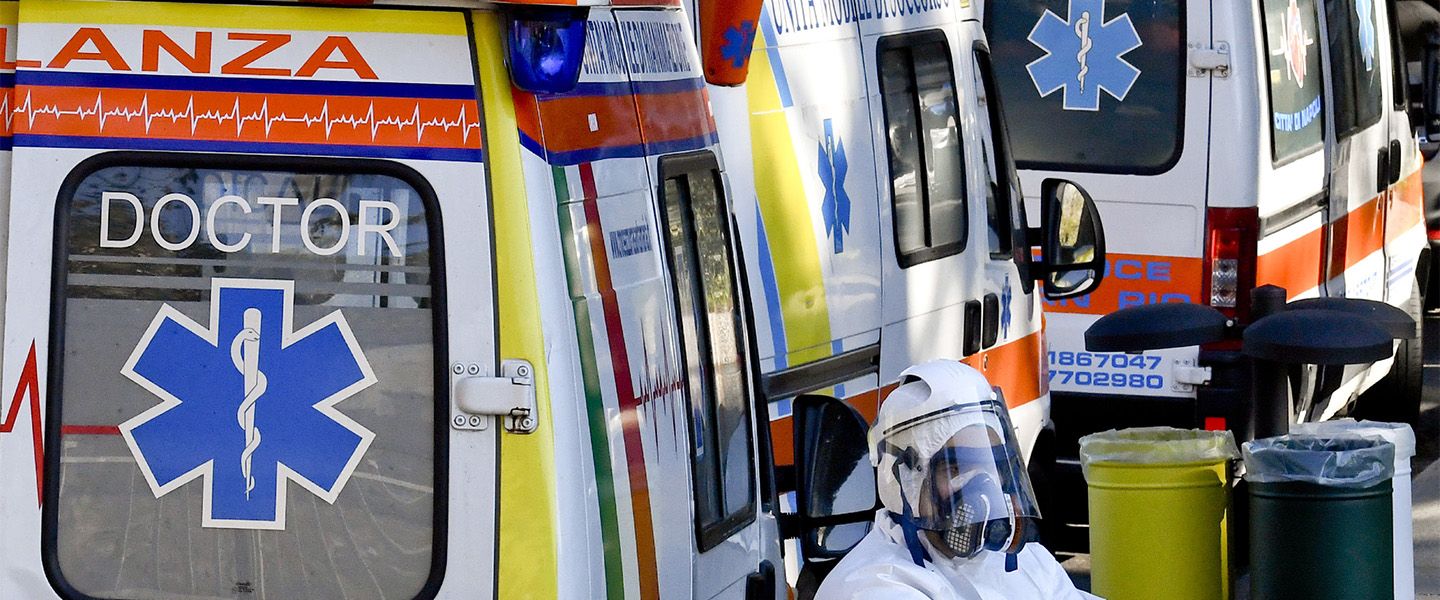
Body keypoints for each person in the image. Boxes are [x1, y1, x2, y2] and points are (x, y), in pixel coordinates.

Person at [815, 360, 1098, 600]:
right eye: (956, 469)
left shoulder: (1028, 562)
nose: (984, 485)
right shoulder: (872, 585)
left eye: (992, 465)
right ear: (903, 479)